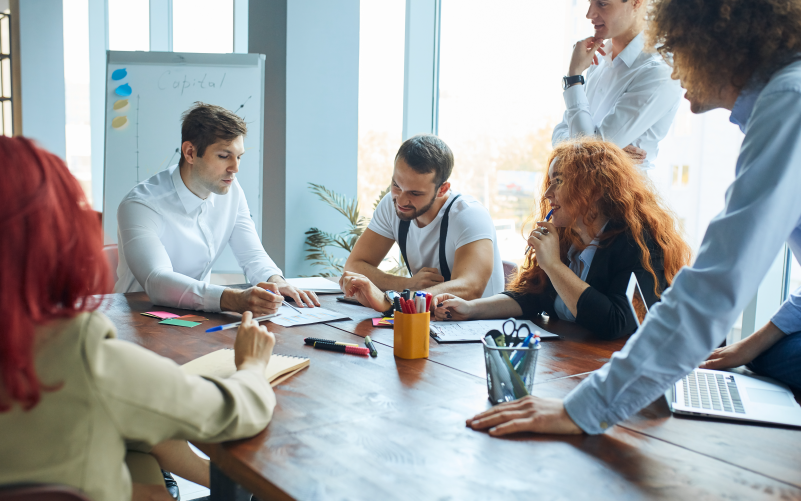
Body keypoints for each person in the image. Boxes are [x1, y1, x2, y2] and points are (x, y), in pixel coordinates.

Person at [467, 0, 801, 437]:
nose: (674, 69)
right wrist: (749, 346)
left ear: (719, 44)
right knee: (765, 359)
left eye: (678, 48)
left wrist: (582, 409)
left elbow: (717, 282)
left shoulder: (788, 101)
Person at [0, 136, 278, 501]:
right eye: (225, 156)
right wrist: (253, 367)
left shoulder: (230, 196)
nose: (234, 167)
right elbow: (232, 412)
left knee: (142, 452)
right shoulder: (82, 355)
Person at [432, 138, 691, 340]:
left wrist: (553, 265)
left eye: (559, 181)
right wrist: (472, 308)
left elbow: (614, 323)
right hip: (576, 363)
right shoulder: (567, 237)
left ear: (595, 189)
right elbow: (531, 296)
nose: (547, 193)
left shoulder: (639, 243)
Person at [115, 102, 319, 314]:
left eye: (239, 156)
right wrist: (233, 299)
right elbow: (156, 280)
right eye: (224, 156)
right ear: (190, 152)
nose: (235, 168)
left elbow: (252, 254)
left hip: (197, 317)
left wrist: (276, 281)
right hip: (139, 319)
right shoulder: (140, 205)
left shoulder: (231, 191)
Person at [339, 134, 505, 314]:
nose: (401, 200)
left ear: (442, 189)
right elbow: (355, 265)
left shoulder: (469, 215)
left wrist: (394, 301)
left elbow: (471, 287)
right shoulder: (391, 205)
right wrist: (407, 284)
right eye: (396, 185)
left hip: (479, 329)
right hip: (431, 320)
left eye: (415, 193)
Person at [553, 0, 682, 169]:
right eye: (590, 2)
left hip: (618, 195)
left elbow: (587, 161)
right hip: (578, 192)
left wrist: (574, 78)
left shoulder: (659, 72)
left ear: (636, 3)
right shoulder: (597, 60)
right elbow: (559, 135)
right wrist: (604, 153)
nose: (589, 14)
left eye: (602, 4)